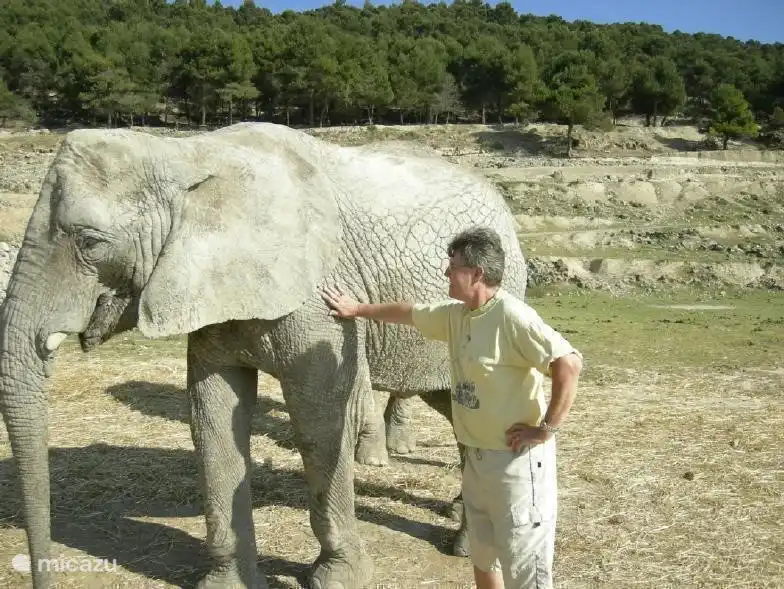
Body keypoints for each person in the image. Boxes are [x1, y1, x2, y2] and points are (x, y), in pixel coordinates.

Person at [320, 225, 582, 589]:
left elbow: (568, 363)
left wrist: (546, 429)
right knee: (484, 557)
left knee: (525, 571)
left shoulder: (512, 316)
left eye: (453, 265)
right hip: (476, 460)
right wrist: (358, 309)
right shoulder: (457, 315)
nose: (446, 272)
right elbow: (409, 313)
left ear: (476, 273)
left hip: (517, 466)